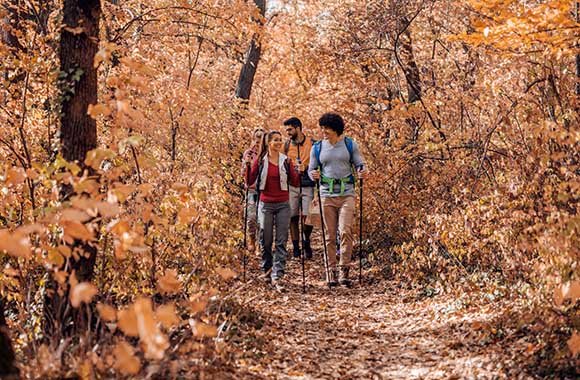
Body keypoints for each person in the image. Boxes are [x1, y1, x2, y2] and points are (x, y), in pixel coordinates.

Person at [308, 113, 367, 287]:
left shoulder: (349, 144)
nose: (323, 131)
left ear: (336, 128)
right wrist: (313, 175)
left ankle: (344, 270)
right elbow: (311, 170)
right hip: (326, 194)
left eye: (326, 128)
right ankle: (330, 271)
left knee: (345, 230)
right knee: (329, 235)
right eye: (322, 128)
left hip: (347, 193)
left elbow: (359, 164)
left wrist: (362, 171)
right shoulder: (317, 148)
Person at [246, 130, 301, 291]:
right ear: (268, 143)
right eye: (275, 140)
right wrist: (249, 166)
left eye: (280, 140)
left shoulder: (286, 161)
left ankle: (278, 275)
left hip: (283, 204)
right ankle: (267, 270)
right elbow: (249, 181)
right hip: (265, 204)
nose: (278, 142)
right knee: (266, 240)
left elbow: (295, 182)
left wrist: (299, 170)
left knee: (281, 241)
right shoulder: (260, 161)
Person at [283, 117, 316, 260]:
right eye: (286, 130)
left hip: (308, 185)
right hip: (292, 185)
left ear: (298, 128)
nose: (288, 132)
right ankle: (296, 247)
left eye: (290, 129)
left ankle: (306, 240)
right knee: (293, 217)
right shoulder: (286, 146)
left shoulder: (313, 144)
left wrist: (307, 167)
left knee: (308, 217)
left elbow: (318, 164)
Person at [241, 128, 264, 254]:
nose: (257, 144)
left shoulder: (266, 155)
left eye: (260, 141)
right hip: (251, 190)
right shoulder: (248, 153)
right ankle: (251, 239)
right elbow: (243, 173)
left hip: (263, 190)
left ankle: (260, 243)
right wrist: (247, 164)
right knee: (251, 217)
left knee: (262, 219)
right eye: (256, 140)